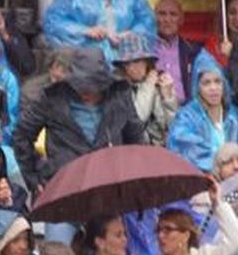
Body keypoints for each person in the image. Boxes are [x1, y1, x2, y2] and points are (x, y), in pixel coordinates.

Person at [14, 51, 145, 191]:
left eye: (92, 89)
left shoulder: (119, 96)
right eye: (81, 87)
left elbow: (135, 136)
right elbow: (22, 134)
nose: (86, 93)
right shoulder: (53, 99)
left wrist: (131, 171)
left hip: (109, 181)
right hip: (66, 182)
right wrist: (33, 176)